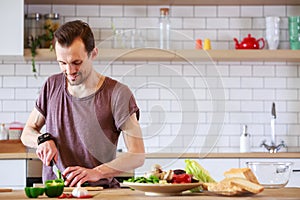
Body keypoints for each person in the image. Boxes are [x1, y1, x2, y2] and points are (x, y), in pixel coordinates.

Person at [21, 20, 145, 188]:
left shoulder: (118, 94)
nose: (69, 71)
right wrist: (42, 139)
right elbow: (27, 132)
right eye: (62, 63)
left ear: (93, 53)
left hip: (100, 193)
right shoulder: (51, 86)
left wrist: (96, 172)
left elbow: (137, 154)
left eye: (76, 63)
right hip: (55, 193)